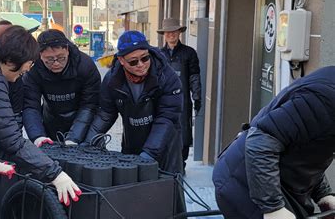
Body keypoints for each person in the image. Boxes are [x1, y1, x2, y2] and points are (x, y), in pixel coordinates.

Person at [0, 25, 81, 217]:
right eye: (29, 63)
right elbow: (13, 141)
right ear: (11, 59)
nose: (28, 69)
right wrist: (56, 174)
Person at [212, 66, 335, 219]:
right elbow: (261, 141)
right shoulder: (326, 99)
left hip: (278, 185)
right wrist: (272, 208)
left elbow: (309, 149)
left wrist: (323, 193)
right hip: (245, 182)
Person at [84, 30, 184, 174]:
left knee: (167, 192)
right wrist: (88, 143)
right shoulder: (112, 81)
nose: (141, 65)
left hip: (166, 145)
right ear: (121, 61)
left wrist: (148, 154)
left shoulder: (167, 77)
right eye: (133, 61)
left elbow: (167, 117)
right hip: (132, 141)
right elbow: (106, 113)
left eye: (145, 58)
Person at [22, 29, 100, 147]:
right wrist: (38, 137)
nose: (56, 63)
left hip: (84, 121)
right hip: (51, 120)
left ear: (67, 50)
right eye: (49, 60)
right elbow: (30, 106)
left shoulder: (85, 66)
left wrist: (74, 138)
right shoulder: (33, 69)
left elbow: (89, 105)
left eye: (61, 57)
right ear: (40, 55)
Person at [157, 17, 202, 172]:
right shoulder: (158, 54)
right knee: (163, 131)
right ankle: (165, 164)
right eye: (168, 32)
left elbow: (194, 77)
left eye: (174, 31)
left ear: (179, 32)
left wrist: (197, 97)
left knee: (183, 133)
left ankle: (181, 164)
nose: (171, 35)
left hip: (183, 101)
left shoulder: (189, 53)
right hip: (162, 101)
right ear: (164, 34)